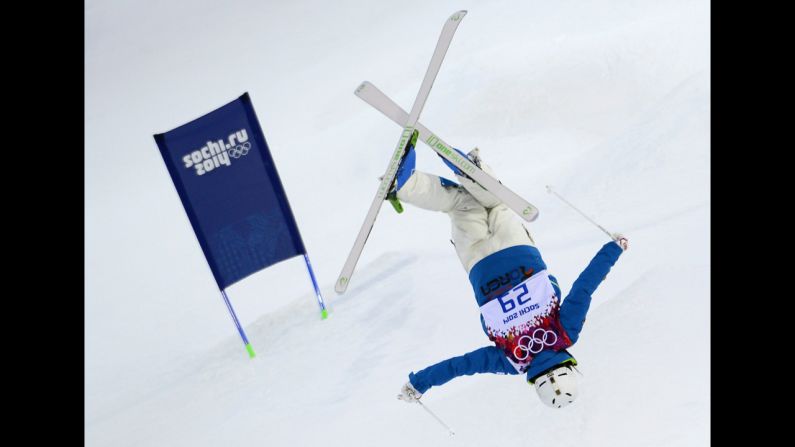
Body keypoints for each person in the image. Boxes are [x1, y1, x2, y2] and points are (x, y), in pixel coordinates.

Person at [390, 141, 628, 409]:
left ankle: (471, 170)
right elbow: (462, 366)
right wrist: (419, 383)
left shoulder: (566, 333)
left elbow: (585, 287)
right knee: (461, 205)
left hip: (519, 255)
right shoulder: (510, 361)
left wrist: (613, 250)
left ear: (570, 366)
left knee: (497, 203)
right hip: (480, 266)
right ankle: (409, 186)